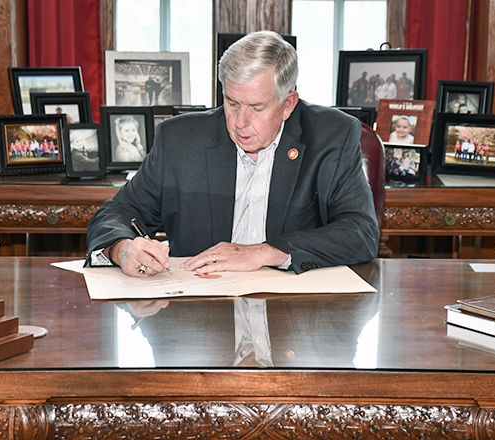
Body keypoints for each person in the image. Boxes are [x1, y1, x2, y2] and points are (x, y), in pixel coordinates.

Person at [86, 30, 379, 277]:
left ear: (288, 104)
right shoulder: (179, 140)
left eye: (257, 107)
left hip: (291, 318)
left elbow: (360, 233)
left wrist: (266, 252)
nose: (240, 122)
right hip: (199, 313)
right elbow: (116, 213)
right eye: (232, 102)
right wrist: (122, 248)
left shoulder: (332, 137)